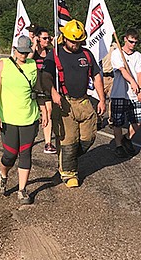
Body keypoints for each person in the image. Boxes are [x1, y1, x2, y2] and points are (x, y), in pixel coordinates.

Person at [43, 19, 105, 188]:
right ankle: (69, 174)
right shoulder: (55, 54)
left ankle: (66, 159)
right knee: (69, 141)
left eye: (78, 41)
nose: (75, 44)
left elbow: (97, 76)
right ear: (64, 38)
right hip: (64, 102)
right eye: (72, 41)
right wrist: (53, 92)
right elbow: (46, 77)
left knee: (88, 138)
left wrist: (102, 99)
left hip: (84, 102)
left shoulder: (86, 54)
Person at [0, 36, 47, 205]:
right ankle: (3, 175)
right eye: (20, 52)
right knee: (9, 155)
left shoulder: (32, 66)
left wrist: (44, 111)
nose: (23, 55)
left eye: (26, 52)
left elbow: (37, 90)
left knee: (25, 153)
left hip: (29, 117)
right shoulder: (2, 65)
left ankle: (22, 190)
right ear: (14, 49)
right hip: (8, 118)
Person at [111, 29, 141, 157]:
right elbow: (122, 70)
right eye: (131, 41)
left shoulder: (139, 56)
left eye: (135, 42)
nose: (133, 45)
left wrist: (140, 89)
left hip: (134, 94)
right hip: (119, 93)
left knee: (138, 120)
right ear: (125, 39)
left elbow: (140, 74)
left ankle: (127, 138)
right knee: (118, 121)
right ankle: (119, 145)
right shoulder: (117, 54)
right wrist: (132, 82)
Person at [30, 26, 57, 154]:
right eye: (44, 38)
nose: (47, 40)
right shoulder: (33, 52)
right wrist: (34, 44)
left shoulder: (51, 52)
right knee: (43, 112)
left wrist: (53, 42)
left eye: (48, 38)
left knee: (49, 111)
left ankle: (48, 143)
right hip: (36, 86)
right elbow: (28, 58)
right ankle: (30, 137)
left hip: (47, 85)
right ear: (38, 38)